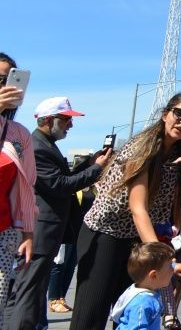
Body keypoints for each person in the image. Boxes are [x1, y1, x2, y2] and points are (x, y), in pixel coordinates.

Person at [69, 91, 181, 330]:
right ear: (166, 114)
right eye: (179, 113)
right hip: (105, 233)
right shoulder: (141, 149)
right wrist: (161, 257)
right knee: (92, 312)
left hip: (136, 237)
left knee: (133, 312)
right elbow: (138, 209)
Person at [8, 96, 109, 330]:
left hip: (46, 230)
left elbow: (60, 179)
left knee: (34, 288)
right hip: (41, 230)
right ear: (49, 120)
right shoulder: (37, 147)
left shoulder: (44, 144)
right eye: (65, 120)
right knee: (29, 290)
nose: (70, 125)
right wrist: (96, 170)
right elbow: (58, 185)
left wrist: (89, 165)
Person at [0, 53, 38, 327]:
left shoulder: (18, 134)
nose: (5, 86)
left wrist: (27, 233)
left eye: (9, 80)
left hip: (4, 233)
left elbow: (27, 187)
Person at [48, 160, 93, 316]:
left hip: (81, 233)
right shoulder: (74, 187)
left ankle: (62, 297)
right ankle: (53, 299)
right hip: (67, 231)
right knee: (59, 265)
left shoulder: (94, 188)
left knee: (70, 266)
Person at [108, 242, 174, 330]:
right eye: (170, 266)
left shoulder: (148, 294)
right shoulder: (142, 303)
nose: (173, 269)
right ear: (153, 275)